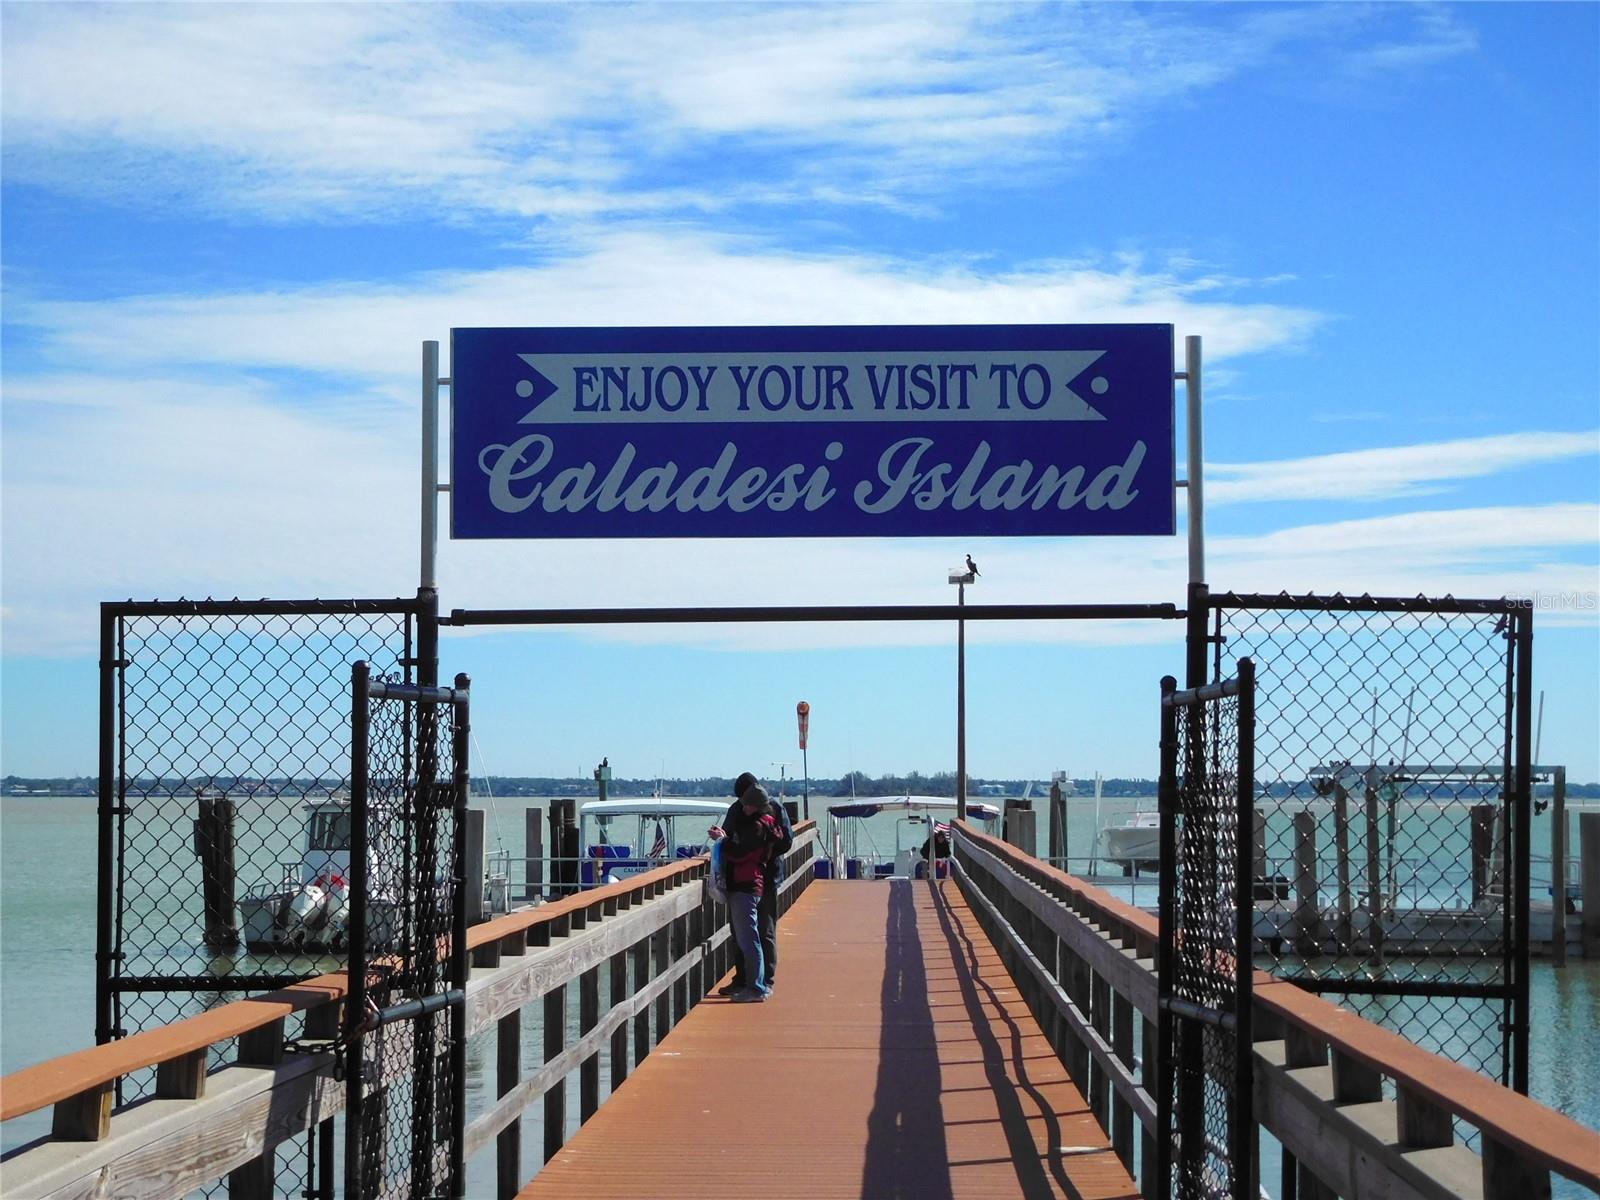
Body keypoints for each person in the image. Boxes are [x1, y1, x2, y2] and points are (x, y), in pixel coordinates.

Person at [707, 773, 788, 1002]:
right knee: (746, 935)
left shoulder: (760, 824)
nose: (742, 806)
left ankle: (759, 985)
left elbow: (741, 852)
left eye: (745, 802)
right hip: (752, 881)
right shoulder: (761, 820)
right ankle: (748, 981)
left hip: (751, 882)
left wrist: (724, 841)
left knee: (757, 934)